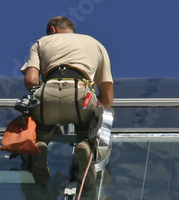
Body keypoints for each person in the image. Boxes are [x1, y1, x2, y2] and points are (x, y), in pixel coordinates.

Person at [20, 16, 114, 186]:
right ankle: (87, 146)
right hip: (81, 95)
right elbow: (107, 98)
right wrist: (94, 116)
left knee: (37, 120)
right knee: (98, 117)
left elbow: (31, 81)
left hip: (48, 93)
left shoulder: (42, 42)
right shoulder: (95, 44)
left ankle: (38, 145)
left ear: (53, 30)